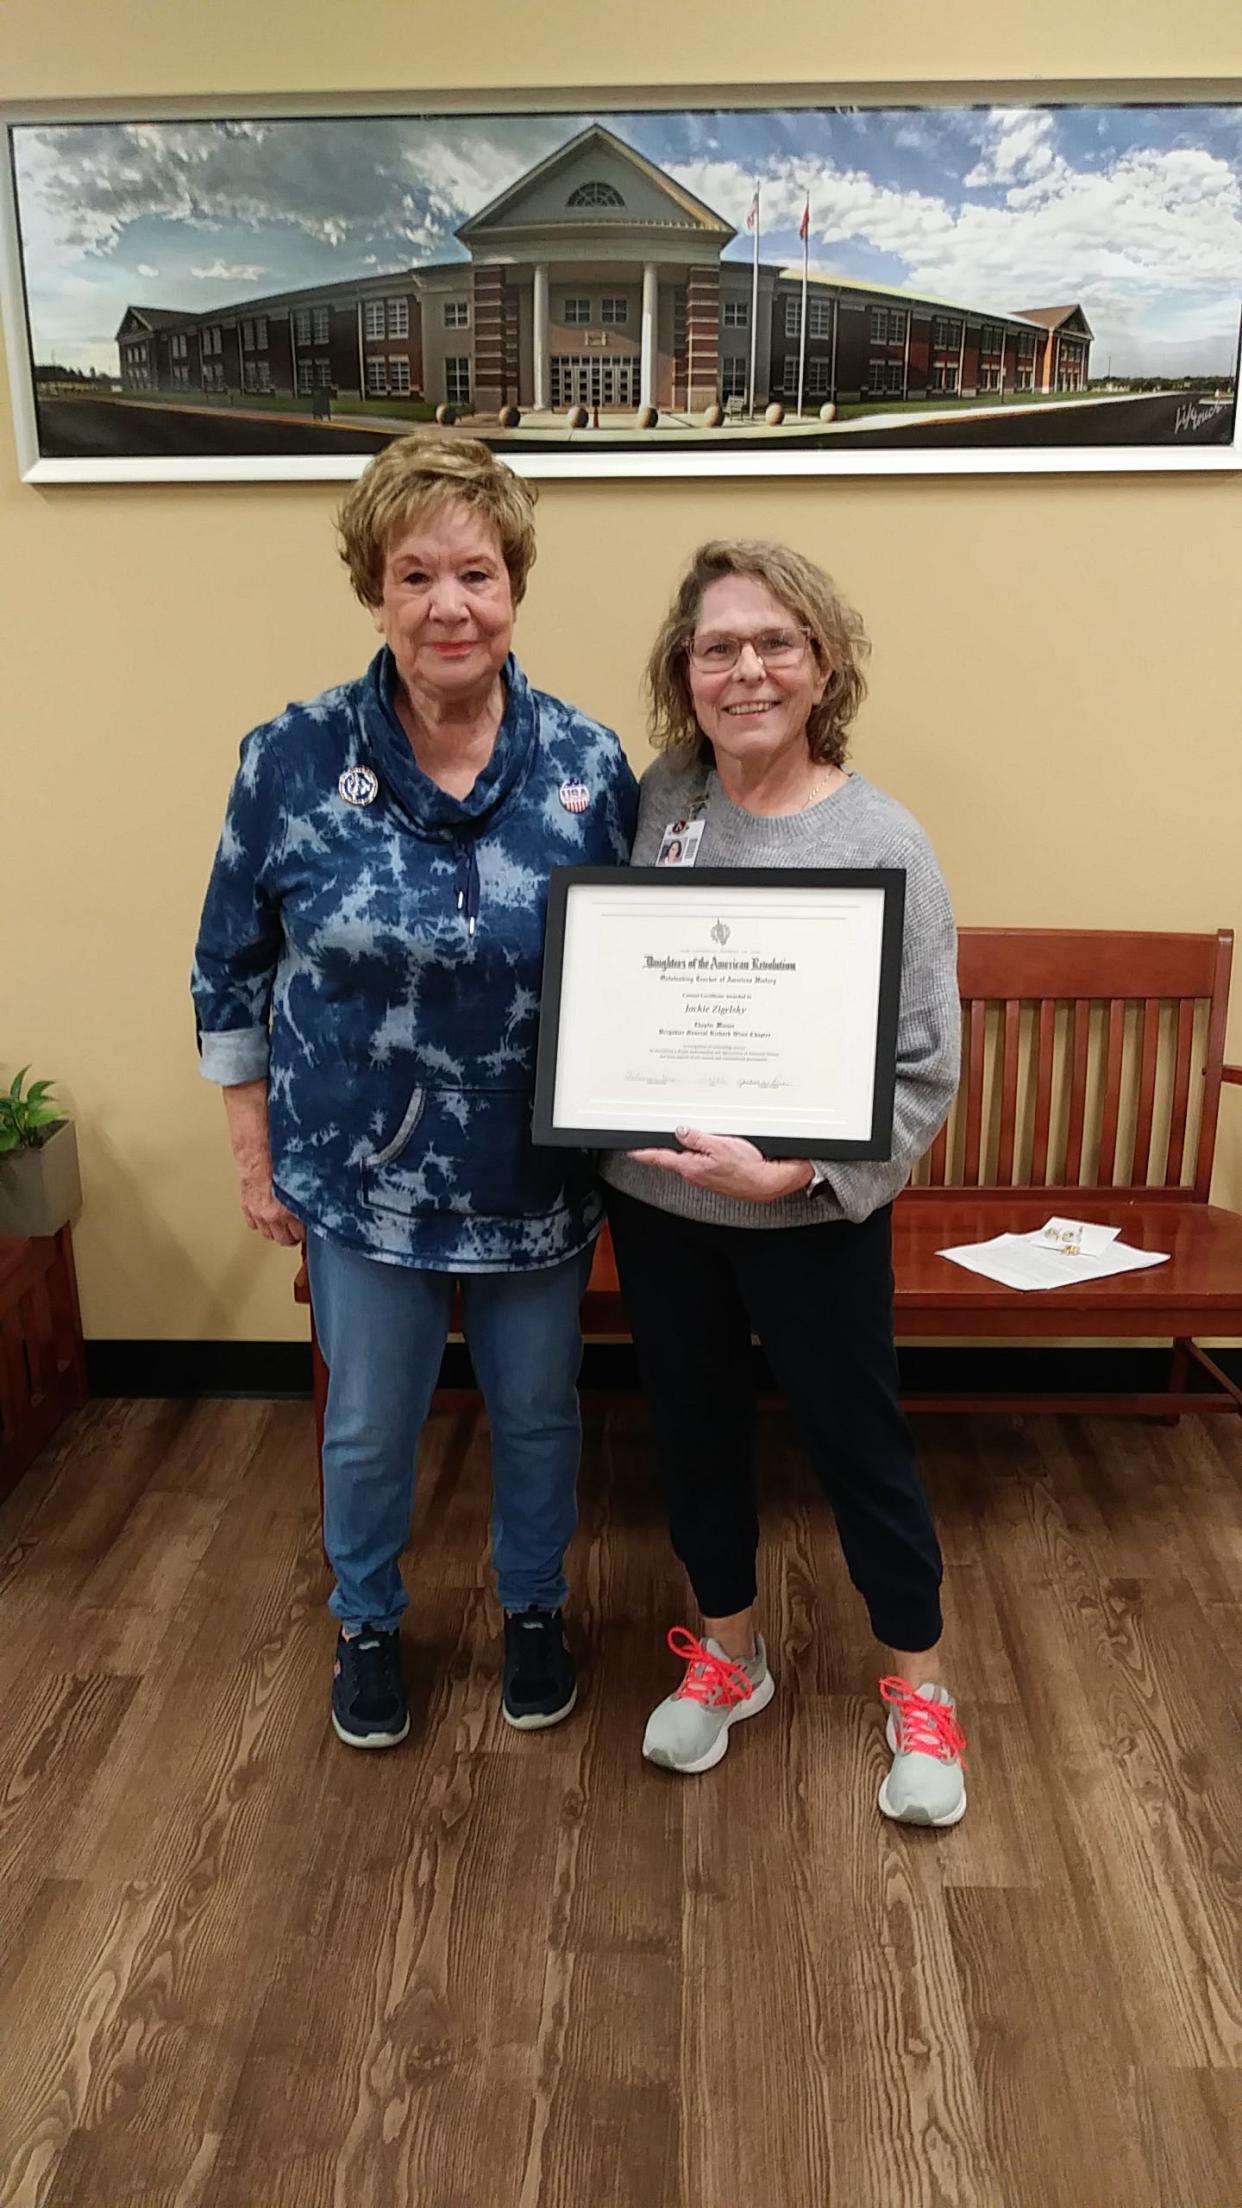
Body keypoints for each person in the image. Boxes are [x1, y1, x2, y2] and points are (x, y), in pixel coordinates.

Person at [192, 434, 638, 1749]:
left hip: (531, 1175)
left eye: (479, 573)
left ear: (515, 589)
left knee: (541, 1414)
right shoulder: (289, 756)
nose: (450, 604)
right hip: (358, 1172)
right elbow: (231, 958)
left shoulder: (587, 764)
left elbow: (638, 957)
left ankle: (537, 1608)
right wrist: (249, 1147)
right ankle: (369, 1623)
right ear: (374, 592)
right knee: (373, 1426)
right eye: (416, 574)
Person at [601, 539, 966, 1825]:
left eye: (774, 644)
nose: (745, 668)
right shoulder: (658, 805)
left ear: (822, 666)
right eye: (717, 647)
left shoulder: (884, 841)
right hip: (660, 1207)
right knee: (694, 1436)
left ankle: (920, 1691)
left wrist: (802, 1170)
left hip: (807, 1213)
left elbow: (924, 1066)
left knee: (857, 1442)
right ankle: (730, 1657)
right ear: (683, 671)